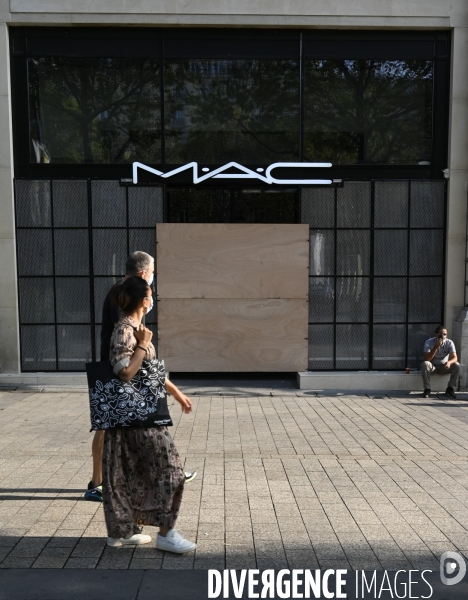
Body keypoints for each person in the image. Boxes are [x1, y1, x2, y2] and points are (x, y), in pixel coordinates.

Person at [85, 251, 196, 502]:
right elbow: (126, 351)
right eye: (153, 273)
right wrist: (143, 346)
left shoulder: (124, 294)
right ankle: (100, 483)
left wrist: (174, 390)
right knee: (109, 428)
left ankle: (111, 482)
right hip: (115, 372)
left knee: (124, 429)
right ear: (145, 274)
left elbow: (144, 364)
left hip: (121, 371)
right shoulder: (125, 297)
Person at [104, 276, 196, 552]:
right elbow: (125, 374)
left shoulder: (138, 328)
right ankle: (166, 535)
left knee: (130, 472)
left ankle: (124, 530)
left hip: (140, 415)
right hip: (138, 418)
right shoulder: (125, 331)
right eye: (151, 294)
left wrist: (176, 393)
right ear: (144, 300)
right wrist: (142, 344)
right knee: (172, 470)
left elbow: (149, 372)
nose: (153, 299)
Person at [421, 325, 460, 399]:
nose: (443, 336)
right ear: (436, 334)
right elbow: (426, 358)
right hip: (432, 367)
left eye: (445, 334)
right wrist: (436, 347)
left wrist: (449, 362)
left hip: (444, 367)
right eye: (441, 334)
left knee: (457, 365)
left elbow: (455, 358)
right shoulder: (429, 342)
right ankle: (427, 389)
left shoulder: (449, 342)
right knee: (425, 364)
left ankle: (450, 388)